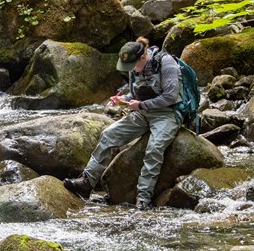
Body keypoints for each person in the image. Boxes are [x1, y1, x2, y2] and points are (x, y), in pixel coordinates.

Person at [63, 37, 182, 210]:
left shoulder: (166, 62)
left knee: (154, 148)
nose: (131, 70)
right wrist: (123, 100)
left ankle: (143, 199)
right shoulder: (134, 67)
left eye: (133, 65)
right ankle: (87, 182)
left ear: (142, 57)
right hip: (143, 113)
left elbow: (170, 96)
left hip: (168, 114)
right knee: (108, 134)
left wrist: (140, 105)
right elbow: (135, 94)